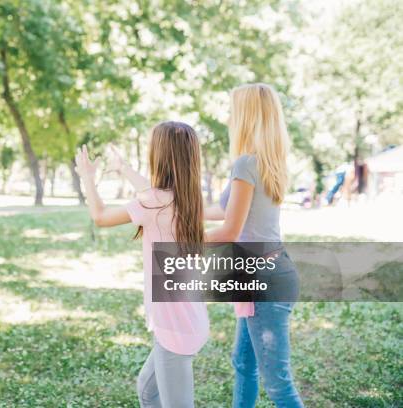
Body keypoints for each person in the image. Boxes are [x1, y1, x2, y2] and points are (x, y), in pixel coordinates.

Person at [75, 122, 210, 408]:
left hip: (175, 325)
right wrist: (123, 168)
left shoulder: (154, 202)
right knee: (148, 392)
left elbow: (100, 216)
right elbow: (151, 193)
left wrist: (87, 176)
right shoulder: (187, 198)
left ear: (159, 155)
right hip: (187, 319)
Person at [205, 83, 304, 407]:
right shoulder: (264, 161)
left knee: (278, 385)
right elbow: (225, 210)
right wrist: (177, 210)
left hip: (263, 280)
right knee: (244, 363)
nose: (230, 118)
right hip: (271, 272)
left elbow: (230, 229)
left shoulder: (246, 164)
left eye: (234, 111)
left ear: (247, 116)